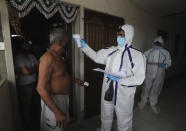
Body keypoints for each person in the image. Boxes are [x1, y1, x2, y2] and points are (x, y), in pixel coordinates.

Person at [73, 24, 146, 131]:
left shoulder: (137, 55)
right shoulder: (111, 50)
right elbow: (97, 57)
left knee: (124, 120)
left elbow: (139, 78)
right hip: (107, 90)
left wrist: (121, 81)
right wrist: (84, 46)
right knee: (105, 115)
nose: (119, 37)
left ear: (129, 35)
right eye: (118, 34)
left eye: (122, 34)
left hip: (123, 94)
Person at [37, 28, 84, 131]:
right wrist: (56, 112)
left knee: (62, 126)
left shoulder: (59, 57)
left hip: (62, 99)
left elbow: (60, 75)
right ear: (60, 41)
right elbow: (40, 88)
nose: (67, 45)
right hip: (53, 101)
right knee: (54, 127)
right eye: (67, 42)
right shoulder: (47, 58)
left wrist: (75, 80)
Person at [138, 36, 171, 114]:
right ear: (154, 43)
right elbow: (142, 61)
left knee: (156, 89)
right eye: (156, 43)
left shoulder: (165, 52)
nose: (157, 45)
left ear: (162, 44)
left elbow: (168, 62)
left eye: (159, 44)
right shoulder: (148, 52)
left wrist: (164, 65)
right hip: (149, 73)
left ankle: (153, 103)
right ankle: (143, 102)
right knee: (146, 88)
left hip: (159, 75)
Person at [13, 37, 38, 129]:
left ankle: (36, 121)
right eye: (25, 46)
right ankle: (27, 125)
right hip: (24, 86)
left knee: (36, 102)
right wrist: (32, 70)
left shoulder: (32, 56)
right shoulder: (17, 58)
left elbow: (37, 68)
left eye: (27, 46)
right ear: (20, 47)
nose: (27, 48)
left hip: (35, 82)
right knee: (26, 106)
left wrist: (29, 70)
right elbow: (25, 72)